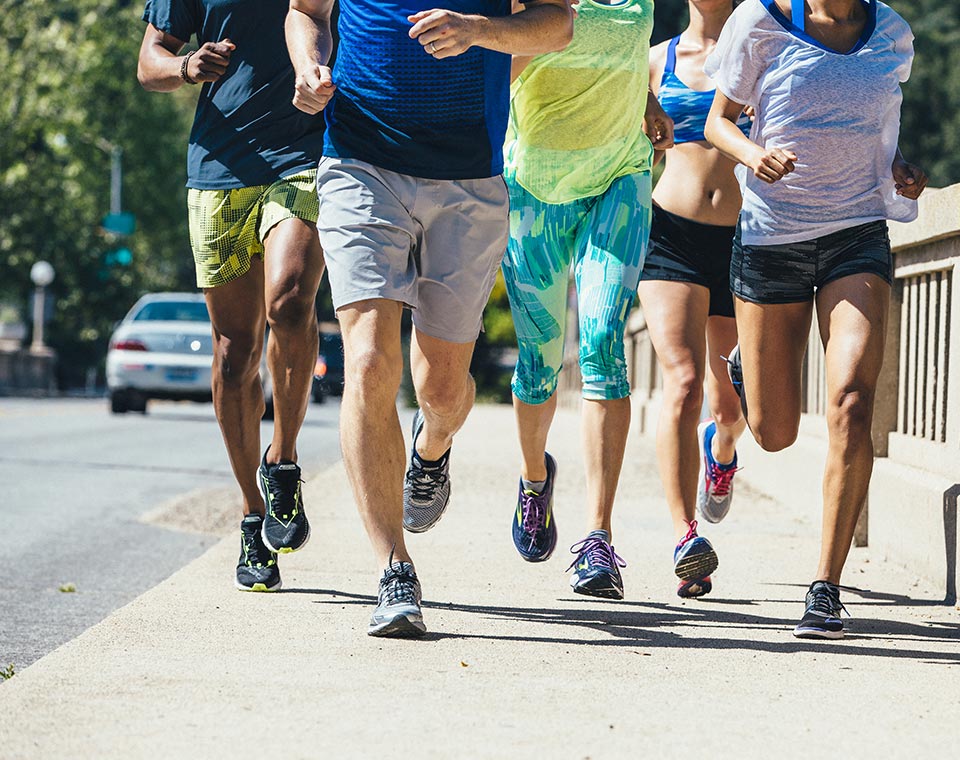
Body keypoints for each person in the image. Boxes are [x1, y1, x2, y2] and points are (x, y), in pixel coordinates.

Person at [286, 0, 574, 637]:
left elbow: (558, 23)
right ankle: (394, 568)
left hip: (468, 178)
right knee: (366, 362)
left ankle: (431, 447)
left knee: (441, 388)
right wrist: (310, 65)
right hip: (359, 162)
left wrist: (481, 31)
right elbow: (304, 11)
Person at [703, 0, 927, 637]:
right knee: (773, 433)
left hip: (857, 231)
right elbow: (719, 121)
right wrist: (752, 156)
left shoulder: (891, 33)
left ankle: (825, 587)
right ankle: (748, 374)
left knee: (853, 400)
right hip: (772, 236)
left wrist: (899, 170)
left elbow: (879, 128)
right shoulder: (759, 20)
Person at [138, 0, 325, 592]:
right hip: (219, 166)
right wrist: (189, 67)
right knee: (233, 352)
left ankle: (284, 461)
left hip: (304, 152)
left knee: (291, 303)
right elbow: (149, 62)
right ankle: (251, 513)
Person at [500, 0, 673, 600]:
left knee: (601, 342)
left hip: (619, 178)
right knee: (537, 364)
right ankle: (533, 477)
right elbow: (496, 64)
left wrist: (644, 100)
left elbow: (621, 49)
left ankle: (598, 538)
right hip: (533, 187)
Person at [639, 0, 749, 599]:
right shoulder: (656, 61)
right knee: (681, 381)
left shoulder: (763, 52)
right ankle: (687, 539)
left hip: (743, 243)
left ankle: (721, 449)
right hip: (671, 236)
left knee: (730, 406)